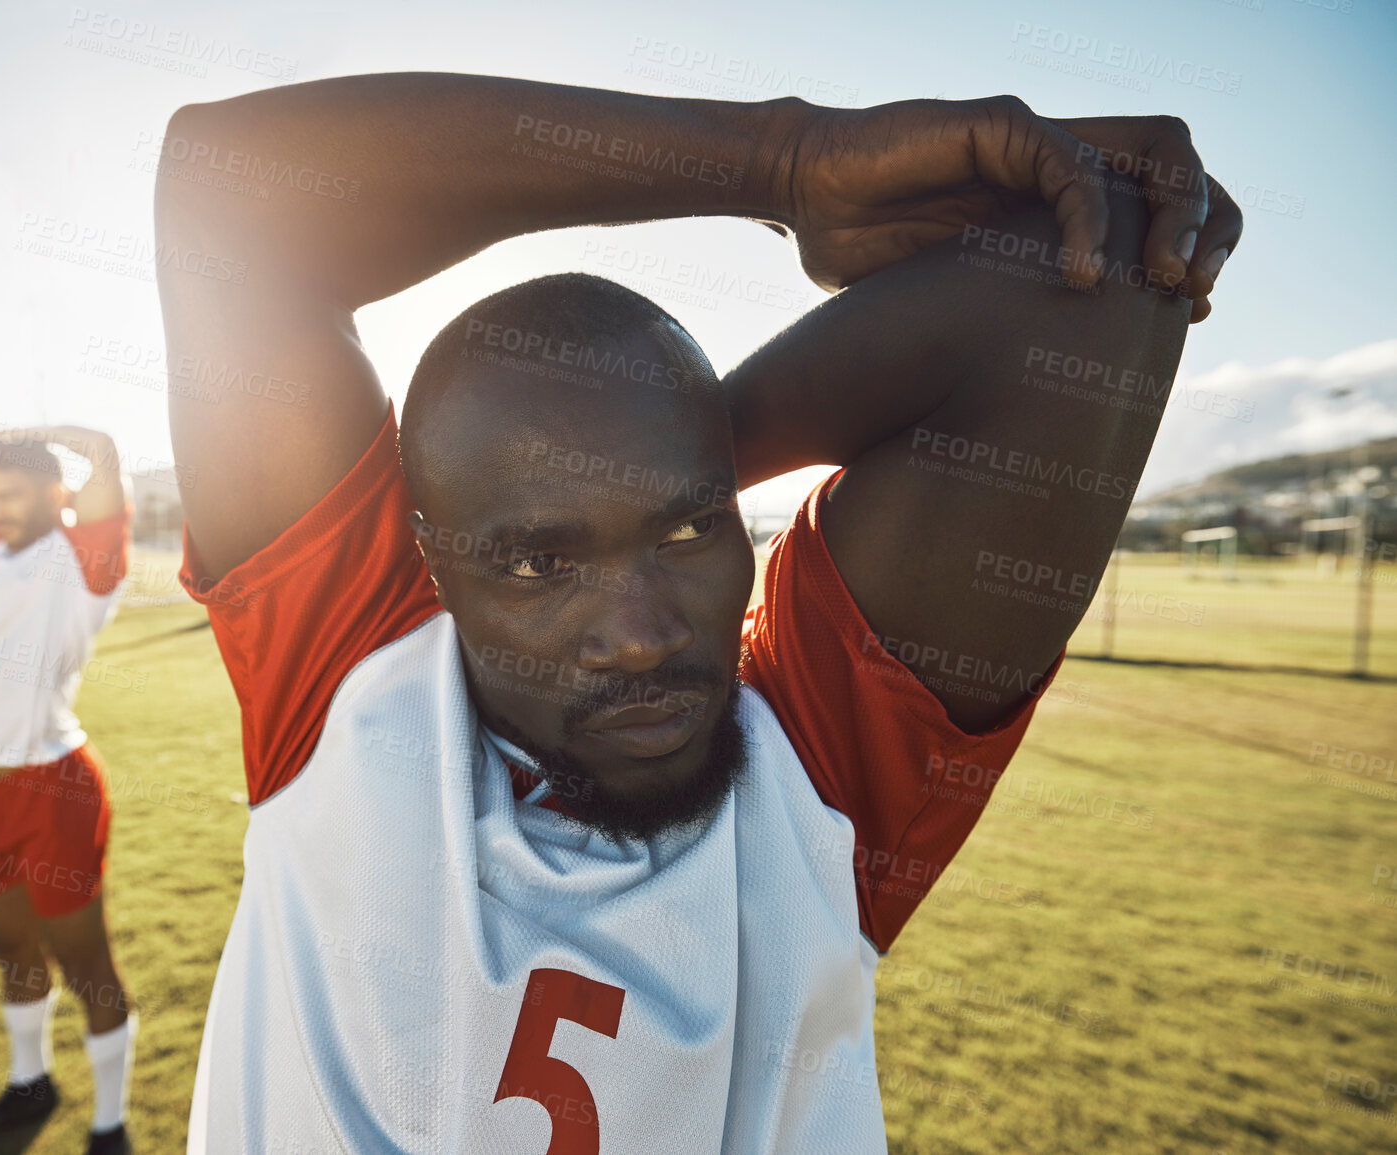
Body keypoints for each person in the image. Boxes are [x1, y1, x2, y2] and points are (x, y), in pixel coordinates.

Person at [154, 75, 1241, 1151]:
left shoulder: (815, 784)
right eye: (538, 562)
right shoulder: (345, 685)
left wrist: (656, 434)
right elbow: (232, 187)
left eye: (687, 533)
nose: (641, 633)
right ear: (435, 560)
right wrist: (779, 160)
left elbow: (1108, 264)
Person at [0, 427, 138, 1155]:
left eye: (13, 494)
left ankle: (109, 1125)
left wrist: (78, 443)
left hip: (51, 786)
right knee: (10, 947)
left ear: (59, 496)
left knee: (85, 964)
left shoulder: (80, 560)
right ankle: (28, 1085)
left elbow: (104, 480)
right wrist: (5, 452)